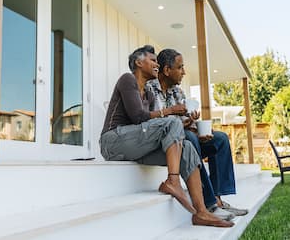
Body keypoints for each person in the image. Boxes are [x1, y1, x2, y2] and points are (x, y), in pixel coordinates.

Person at [100, 45, 233, 227]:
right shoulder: (127, 79)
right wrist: (170, 112)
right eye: (153, 60)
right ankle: (173, 180)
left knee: (187, 148)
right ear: (139, 62)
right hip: (113, 142)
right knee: (173, 122)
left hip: (136, 146)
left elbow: (149, 125)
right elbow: (138, 117)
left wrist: (185, 123)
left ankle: (201, 212)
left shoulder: (148, 92)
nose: (157, 64)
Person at [146, 48, 248, 221]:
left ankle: (218, 199)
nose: (184, 72)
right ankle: (209, 203)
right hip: (167, 145)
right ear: (166, 70)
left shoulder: (178, 92)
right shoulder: (149, 89)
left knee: (220, 139)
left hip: (186, 138)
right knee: (191, 139)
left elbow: (187, 123)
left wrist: (196, 127)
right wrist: (186, 128)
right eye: (180, 67)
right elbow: (155, 125)